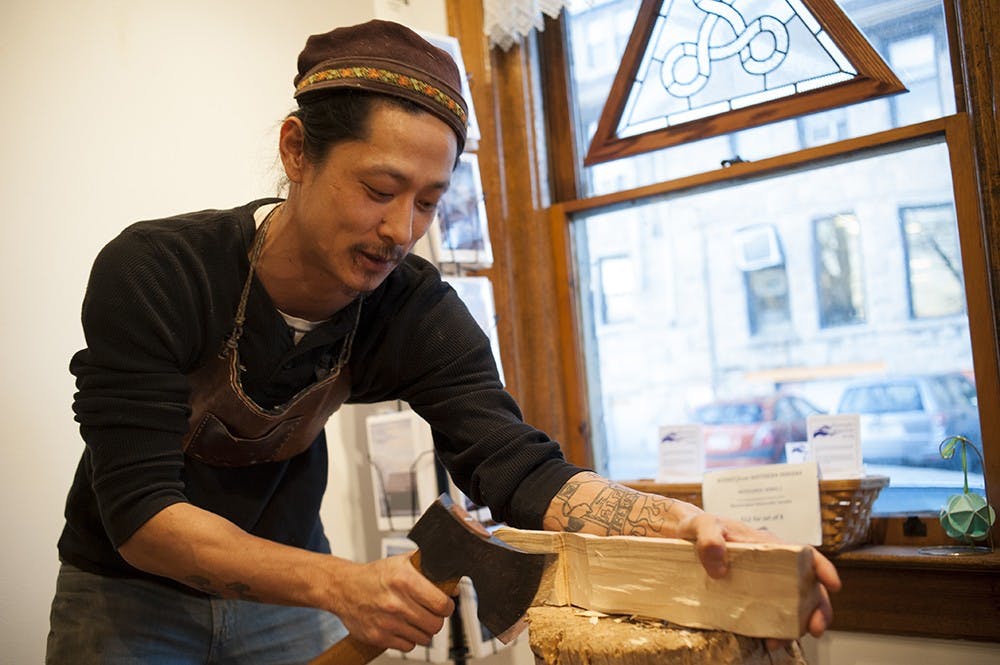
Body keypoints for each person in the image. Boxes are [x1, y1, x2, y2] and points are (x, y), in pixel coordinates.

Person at [46, 18, 840, 665]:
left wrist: (682, 523)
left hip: (287, 599)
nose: (401, 231)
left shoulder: (410, 308)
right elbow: (143, 515)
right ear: (297, 151)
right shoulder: (159, 272)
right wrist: (342, 585)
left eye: (428, 201)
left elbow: (520, 467)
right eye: (378, 190)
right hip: (126, 597)